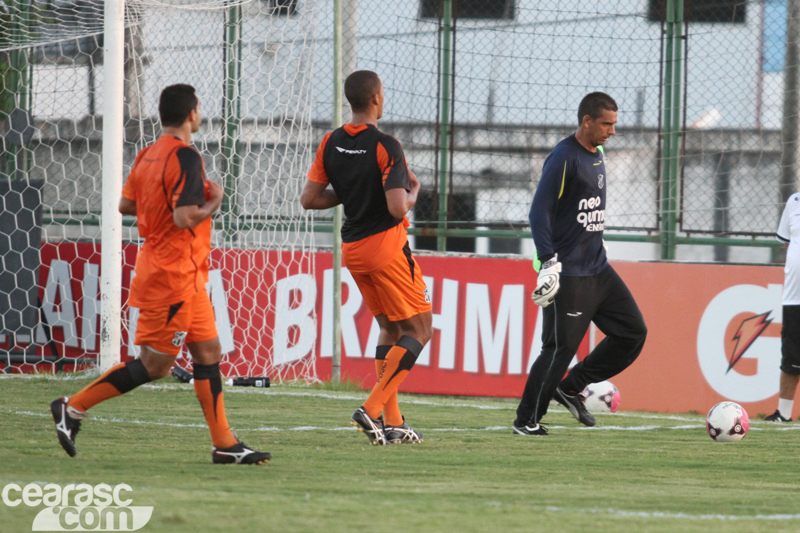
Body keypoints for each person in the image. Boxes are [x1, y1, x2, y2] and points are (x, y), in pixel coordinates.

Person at [50, 84, 271, 464]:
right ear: (192, 114)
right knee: (155, 366)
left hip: (182, 272)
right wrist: (215, 201)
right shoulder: (185, 156)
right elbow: (185, 217)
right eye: (199, 109)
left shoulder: (148, 154)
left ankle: (225, 445)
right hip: (173, 276)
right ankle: (72, 407)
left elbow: (125, 204)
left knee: (208, 351)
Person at [301, 70, 432, 446]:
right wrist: (412, 194)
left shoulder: (330, 141)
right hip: (386, 249)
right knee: (421, 330)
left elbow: (309, 199)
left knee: (391, 329)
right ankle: (371, 409)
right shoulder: (386, 145)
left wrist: (354, 191)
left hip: (353, 252)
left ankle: (393, 422)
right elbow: (395, 208)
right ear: (376, 98)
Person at [513, 92, 647, 435]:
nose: (612, 131)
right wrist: (549, 261)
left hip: (598, 268)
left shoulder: (597, 154)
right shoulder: (563, 157)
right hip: (568, 272)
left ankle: (571, 387)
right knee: (558, 348)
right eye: (606, 124)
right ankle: (526, 420)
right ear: (586, 121)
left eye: (614, 124)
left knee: (632, 332)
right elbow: (538, 210)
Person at [766, 193, 800, 422]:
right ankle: (784, 415)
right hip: (794, 296)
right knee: (791, 359)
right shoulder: (794, 201)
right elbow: (789, 244)